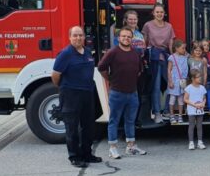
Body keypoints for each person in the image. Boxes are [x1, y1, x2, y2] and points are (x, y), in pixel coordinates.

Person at [52, 26, 101, 168]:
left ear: (84, 37)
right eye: (75, 35)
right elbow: (55, 76)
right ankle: (75, 156)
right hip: (71, 95)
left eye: (80, 35)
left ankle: (87, 154)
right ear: (70, 37)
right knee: (72, 127)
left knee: (88, 126)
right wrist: (65, 87)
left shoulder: (87, 51)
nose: (78, 38)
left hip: (87, 93)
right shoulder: (65, 54)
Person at [98, 27, 146, 159]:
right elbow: (101, 67)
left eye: (129, 37)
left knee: (130, 121)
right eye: (124, 36)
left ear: (132, 39)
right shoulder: (112, 52)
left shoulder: (136, 52)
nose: (126, 38)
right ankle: (112, 148)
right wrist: (110, 79)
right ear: (119, 38)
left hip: (132, 93)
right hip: (117, 93)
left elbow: (140, 70)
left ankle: (131, 146)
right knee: (114, 120)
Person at [142, 4, 175, 123]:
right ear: (153, 13)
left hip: (166, 57)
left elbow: (171, 44)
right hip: (154, 57)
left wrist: (174, 58)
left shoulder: (169, 26)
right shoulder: (148, 25)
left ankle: (166, 110)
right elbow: (144, 42)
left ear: (164, 13)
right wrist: (143, 57)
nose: (159, 14)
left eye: (161, 12)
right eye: (157, 12)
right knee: (155, 86)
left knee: (170, 85)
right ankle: (156, 113)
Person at [167, 39, 188, 124]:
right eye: (183, 48)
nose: (184, 50)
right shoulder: (172, 57)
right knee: (172, 98)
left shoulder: (185, 56)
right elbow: (169, 70)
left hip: (182, 81)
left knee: (181, 99)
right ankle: (172, 115)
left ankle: (180, 115)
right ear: (176, 48)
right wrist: (170, 81)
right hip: (174, 80)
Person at [184, 70, 207, 150]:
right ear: (193, 78)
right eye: (198, 77)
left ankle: (200, 142)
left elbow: (204, 98)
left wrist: (203, 103)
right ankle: (191, 142)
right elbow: (185, 99)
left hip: (200, 110)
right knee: (191, 126)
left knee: (199, 126)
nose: (200, 78)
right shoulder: (188, 88)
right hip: (191, 110)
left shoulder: (202, 88)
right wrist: (194, 105)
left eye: (200, 77)